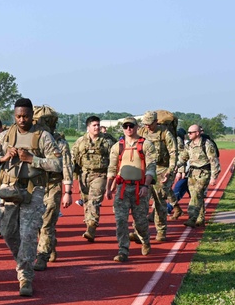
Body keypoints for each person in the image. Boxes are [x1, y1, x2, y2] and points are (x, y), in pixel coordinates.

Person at [0, 98, 61, 296]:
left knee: (28, 234)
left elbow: (58, 164)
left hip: (34, 191)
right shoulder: (6, 136)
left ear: (32, 116)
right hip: (8, 189)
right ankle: (23, 260)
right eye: (18, 116)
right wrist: (2, 158)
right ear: (14, 116)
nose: (22, 120)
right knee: (7, 232)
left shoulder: (43, 137)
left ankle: (25, 276)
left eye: (25, 116)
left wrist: (33, 159)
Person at [106, 118, 156, 262]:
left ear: (137, 127)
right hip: (122, 188)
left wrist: (146, 186)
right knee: (120, 221)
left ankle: (145, 240)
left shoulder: (146, 145)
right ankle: (123, 250)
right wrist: (108, 188)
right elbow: (112, 168)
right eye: (125, 126)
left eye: (131, 126)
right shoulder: (117, 147)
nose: (129, 128)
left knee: (140, 222)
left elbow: (151, 167)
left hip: (140, 188)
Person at [33, 105, 73, 271]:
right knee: (36, 223)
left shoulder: (59, 142)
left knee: (47, 222)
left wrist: (68, 192)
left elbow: (67, 166)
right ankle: (50, 244)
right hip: (34, 185)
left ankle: (42, 255)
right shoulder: (32, 139)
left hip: (52, 185)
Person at [71, 115, 114, 242]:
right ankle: (88, 224)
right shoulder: (80, 141)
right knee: (86, 201)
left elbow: (115, 156)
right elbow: (74, 157)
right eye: (94, 125)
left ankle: (92, 226)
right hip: (84, 175)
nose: (97, 127)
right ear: (88, 127)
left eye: (98, 125)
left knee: (94, 200)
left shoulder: (107, 141)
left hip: (100, 175)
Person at [138, 110, 179, 241]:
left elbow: (173, 152)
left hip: (162, 169)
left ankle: (161, 231)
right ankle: (140, 231)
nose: (147, 126)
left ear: (156, 122)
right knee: (142, 202)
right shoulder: (142, 132)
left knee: (159, 201)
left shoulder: (164, 133)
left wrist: (170, 171)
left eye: (150, 124)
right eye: (145, 124)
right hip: (146, 169)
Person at [176, 125, 220, 227]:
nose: (189, 134)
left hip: (204, 173)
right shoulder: (189, 145)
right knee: (196, 196)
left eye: (191, 132)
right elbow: (182, 158)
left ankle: (192, 218)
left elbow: (214, 161)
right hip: (192, 173)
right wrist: (175, 168)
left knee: (196, 194)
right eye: (188, 132)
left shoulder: (207, 144)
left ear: (197, 133)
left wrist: (213, 177)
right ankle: (200, 218)